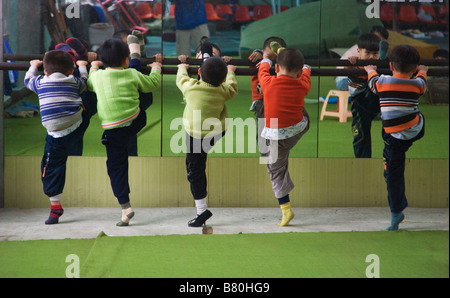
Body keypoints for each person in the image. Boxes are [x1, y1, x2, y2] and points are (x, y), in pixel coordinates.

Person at [87, 39, 162, 226]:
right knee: (138, 81)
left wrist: (93, 67)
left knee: (116, 169)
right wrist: (157, 67)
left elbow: (89, 84)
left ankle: (125, 207)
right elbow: (152, 84)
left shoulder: (97, 77)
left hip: (113, 131)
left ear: (103, 62)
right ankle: (136, 53)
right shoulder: (130, 73)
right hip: (135, 120)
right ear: (125, 61)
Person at [365, 45, 428, 231]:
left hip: (397, 137)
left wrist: (370, 70)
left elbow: (372, 82)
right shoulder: (418, 83)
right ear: (415, 68)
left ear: (391, 66)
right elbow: (423, 82)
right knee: (390, 138)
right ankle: (388, 162)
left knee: (393, 175)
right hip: (416, 128)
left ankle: (396, 212)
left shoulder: (383, 81)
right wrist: (423, 71)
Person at [24, 50, 89, 225]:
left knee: (51, 168)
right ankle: (76, 54)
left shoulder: (40, 82)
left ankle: (55, 207)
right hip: (77, 126)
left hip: (57, 136)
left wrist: (32, 66)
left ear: (45, 71)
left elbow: (27, 80)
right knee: (86, 97)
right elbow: (84, 81)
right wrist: (83, 67)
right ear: (71, 70)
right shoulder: (74, 81)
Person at [176, 46, 238, 227]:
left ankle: (202, 211)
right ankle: (201, 209)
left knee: (195, 171)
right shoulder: (223, 90)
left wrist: (181, 65)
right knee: (198, 164)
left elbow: (181, 79)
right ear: (223, 78)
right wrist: (232, 72)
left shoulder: (191, 88)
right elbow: (232, 87)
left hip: (195, 135)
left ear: (199, 73)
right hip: (216, 132)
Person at [258, 44, 311, 227]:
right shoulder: (302, 83)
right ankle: (284, 54)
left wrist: (265, 58)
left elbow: (263, 71)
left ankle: (286, 210)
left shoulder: (269, 83)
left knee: (275, 171)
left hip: (275, 135)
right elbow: (305, 74)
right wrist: (305, 68)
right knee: (298, 109)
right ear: (298, 73)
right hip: (298, 128)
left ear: (277, 68)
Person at [248, 36, 287, 157]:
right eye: (269, 57)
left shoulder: (285, 64)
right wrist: (258, 53)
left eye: (276, 58)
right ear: (263, 52)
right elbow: (251, 59)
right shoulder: (258, 60)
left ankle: (274, 158)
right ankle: (267, 157)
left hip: (279, 101)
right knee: (264, 131)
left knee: (277, 133)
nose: (272, 61)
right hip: (262, 102)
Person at [346, 33, 382, 158]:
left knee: (391, 133)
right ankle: (362, 163)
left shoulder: (381, 66)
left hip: (379, 104)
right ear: (358, 51)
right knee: (361, 136)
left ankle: (388, 160)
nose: (372, 57)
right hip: (360, 105)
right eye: (368, 53)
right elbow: (353, 88)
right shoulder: (355, 65)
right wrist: (351, 64)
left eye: (375, 54)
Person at [335, 25, 390, 91]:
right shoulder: (363, 46)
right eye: (378, 38)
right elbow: (348, 70)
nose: (371, 56)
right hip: (344, 79)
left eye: (382, 40)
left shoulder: (368, 48)